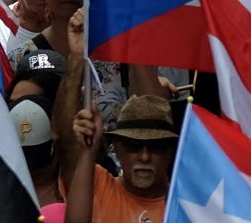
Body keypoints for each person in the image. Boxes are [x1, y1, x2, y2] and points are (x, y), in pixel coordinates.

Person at [67, 95, 176, 223]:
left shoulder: (188, 205)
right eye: (133, 146)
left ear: (170, 153)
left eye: (156, 147)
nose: (144, 157)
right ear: (117, 150)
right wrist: (88, 150)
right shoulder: (97, 183)